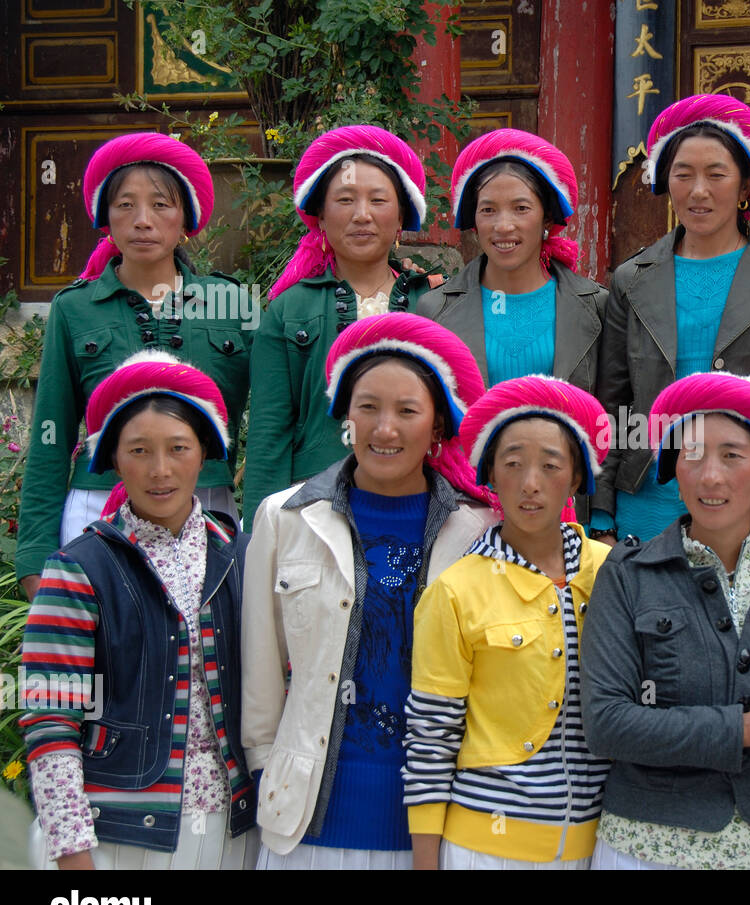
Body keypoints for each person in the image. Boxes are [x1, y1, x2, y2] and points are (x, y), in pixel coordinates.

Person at [242, 313, 496, 869]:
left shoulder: (478, 532)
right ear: (345, 416)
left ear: (437, 425)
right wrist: (267, 770)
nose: (385, 429)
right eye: (368, 408)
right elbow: (261, 669)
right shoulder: (285, 519)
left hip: (434, 829)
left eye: (408, 411)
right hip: (308, 824)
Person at [21, 352, 256, 869]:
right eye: (139, 451)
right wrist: (73, 853)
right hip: (116, 834)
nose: (160, 470)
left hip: (233, 833)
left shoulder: (242, 558)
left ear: (204, 454)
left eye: (178, 448)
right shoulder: (77, 569)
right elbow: (49, 713)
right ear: (114, 461)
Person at [581, 372, 750, 869]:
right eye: (692, 455)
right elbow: (607, 723)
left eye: (732, 455)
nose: (710, 475)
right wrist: (745, 729)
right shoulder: (628, 576)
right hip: (645, 850)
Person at [16, 132, 252, 599]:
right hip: (99, 509)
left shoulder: (234, 304)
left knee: (208, 659)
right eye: (125, 205)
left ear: (186, 217)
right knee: (111, 654)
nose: (143, 221)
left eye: (161, 205)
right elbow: (50, 435)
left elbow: (271, 422)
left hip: (208, 509)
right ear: (105, 217)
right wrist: (34, 556)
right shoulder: (75, 308)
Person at [403, 375, 611, 869]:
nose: (530, 483)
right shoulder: (456, 590)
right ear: (490, 475)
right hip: (484, 851)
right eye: (512, 464)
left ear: (577, 478)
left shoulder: (613, 574)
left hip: (598, 847)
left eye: (550, 466)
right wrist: (426, 860)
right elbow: (432, 736)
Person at [595, 94, 750, 545]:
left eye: (716, 175)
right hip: (649, 497)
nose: (698, 190)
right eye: (683, 174)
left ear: (746, 187)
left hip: (747, 496)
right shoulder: (632, 278)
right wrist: (602, 513)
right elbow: (613, 403)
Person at [243, 125, 438, 525]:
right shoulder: (288, 310)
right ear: (321, 217)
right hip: (312, 506)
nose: (361, 215)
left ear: (401, 215)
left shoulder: (434, 303)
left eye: (378, 200)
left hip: (417, 505)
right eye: (345, 200)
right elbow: (269, 435)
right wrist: (258, 533)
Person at [415, 128, 606, 392]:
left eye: (521, 208)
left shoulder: (598, 307)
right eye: (488, 210)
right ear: (475, 221)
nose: (503, 226)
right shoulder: (434, 309)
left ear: (547, 219)